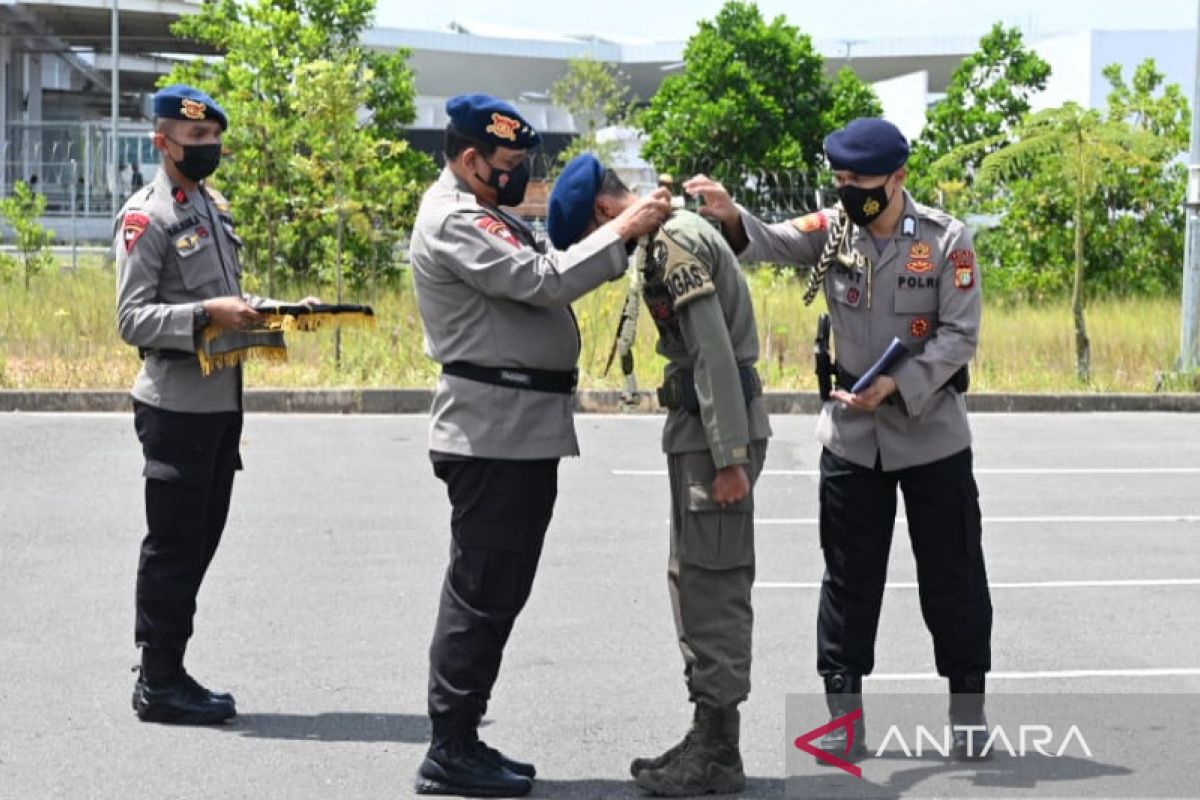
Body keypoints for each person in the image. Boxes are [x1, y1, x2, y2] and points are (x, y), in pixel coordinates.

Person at [685, 117, 992, 761]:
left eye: (860, 180)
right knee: (849, 580)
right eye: (841, 179)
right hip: (853, 436)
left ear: (899, 177)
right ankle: (844, 722)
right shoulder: (834, 231)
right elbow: (766, 242)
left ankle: (968, 716)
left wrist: (900, 384)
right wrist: (729, 213)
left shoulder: (946, 241)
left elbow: (959, 334)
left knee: (953, 573)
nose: (847, 190)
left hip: (930, 430)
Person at [409, 95, 670, 798]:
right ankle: (449, 746)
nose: (520, 176)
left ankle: (463, 737)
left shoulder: (486, 211)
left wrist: (614, 227)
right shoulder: (455, 219)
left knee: (497, 590)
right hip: (492, 433)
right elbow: (543, 281)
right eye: (508, 164)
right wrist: (628, 230)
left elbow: (551, 260)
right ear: (470, 160)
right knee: (480, 591)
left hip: (517, 431)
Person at [548, 154, 771, 797]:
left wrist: (729, 457)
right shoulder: (667, 235)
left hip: (712, 434)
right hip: (699, 430)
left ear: (602, 213)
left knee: (713, 584)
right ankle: (708, 732)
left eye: (598, 239)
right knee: (693, 577)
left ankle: (719, 751)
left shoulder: (670, 242)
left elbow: (712, 352)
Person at [115, 84, 317, 726]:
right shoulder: (147, 217)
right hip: (175, 407)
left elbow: (228, 296)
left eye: (213, 139)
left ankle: (169, 666)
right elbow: (132, 318)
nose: (208, 149)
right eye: (195, 139)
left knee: (200, 540)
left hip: (219, 404)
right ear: (162, 142)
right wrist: (207, 313)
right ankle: (158, 679)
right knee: (173, 545)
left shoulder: (210, 205)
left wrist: (275, 310)